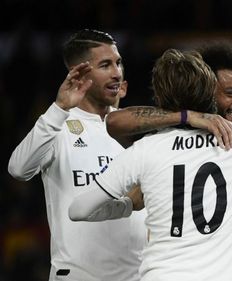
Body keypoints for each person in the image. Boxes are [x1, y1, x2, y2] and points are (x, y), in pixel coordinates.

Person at [67, 48, 232, 281]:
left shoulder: (145, 149)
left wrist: (125, 206)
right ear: (210, 91)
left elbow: (78, 210)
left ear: (159, 96)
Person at [7, 29, 148, 281]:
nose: (116, 72)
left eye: (118, 63)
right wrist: (59, 108)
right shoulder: (58, 125)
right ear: (80, 72)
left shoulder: (135, 132)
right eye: (105, 65)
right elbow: (18, 168)